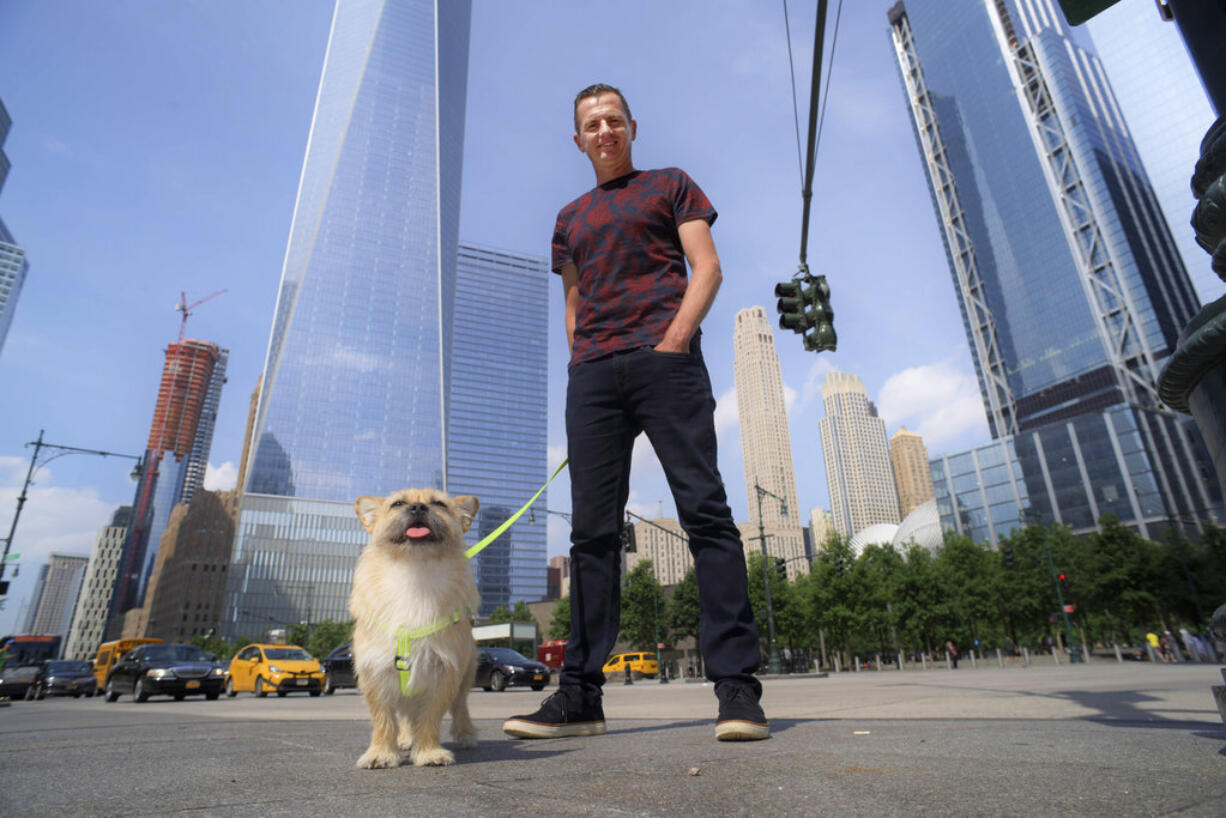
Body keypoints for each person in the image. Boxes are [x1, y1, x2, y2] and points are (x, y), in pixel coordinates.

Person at [502, 83, 767, 743]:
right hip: (593, 375)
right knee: (591, 536)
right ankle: (580, 699)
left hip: (665, 362)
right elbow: (572, 300)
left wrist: (673, 340)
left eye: (614, 120)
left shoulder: (671, 184)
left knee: (704, 514)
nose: (604, 131)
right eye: (592, 124)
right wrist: (582, 361)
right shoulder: (568, 218)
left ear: (632, 127)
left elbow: (706, 268)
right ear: (578, 139)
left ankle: (738, 693)